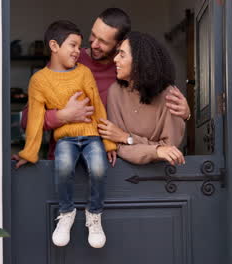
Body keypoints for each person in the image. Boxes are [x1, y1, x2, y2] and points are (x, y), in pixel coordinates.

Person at [18, 8, 191, 161]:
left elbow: (154, 110)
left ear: (119, 44)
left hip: (111, 163)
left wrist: (186, 115)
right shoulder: (69, 60)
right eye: (93, 35)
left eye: (103, 41)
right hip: (64, 162)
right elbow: (26, 119)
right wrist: (63, 116)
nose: (93, 44)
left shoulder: (125, 75)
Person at [15, 20, 116, 249]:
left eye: (79, 46)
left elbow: (98, 107)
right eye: (73, 45)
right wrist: (29, 153)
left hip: (92, 136)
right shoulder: (39, 81)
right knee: (62, 167)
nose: (78, 51)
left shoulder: (84, 73)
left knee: (99, 168)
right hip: (65, 139)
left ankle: (94, 214)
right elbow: (32, 120)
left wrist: (108, 143)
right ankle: (66, 212)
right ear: (54, 45)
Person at [98, 31, 186, 166]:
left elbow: (169, 149)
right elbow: (119, 147)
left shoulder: (170, 96)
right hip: (123, 175)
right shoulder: (115, 92)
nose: (115, 59)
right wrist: (155, 149)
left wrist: (126, 137)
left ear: (140, 61)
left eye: (122, 55)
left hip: (163, 177)